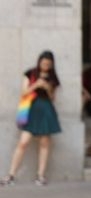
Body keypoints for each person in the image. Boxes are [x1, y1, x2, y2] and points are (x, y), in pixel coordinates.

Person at [1, 50, 61, 186]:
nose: (45, 66)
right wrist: (36, 85)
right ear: (39, 62)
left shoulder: (53, 78)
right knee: (23, 142)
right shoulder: (31, 73)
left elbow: (53, 98)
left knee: (44, 143)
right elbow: (24, 92)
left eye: (48, 64)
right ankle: (11, 175)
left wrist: (47, 88)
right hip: (30, 110)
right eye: (43, 63)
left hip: (46, 110)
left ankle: (40, 176)